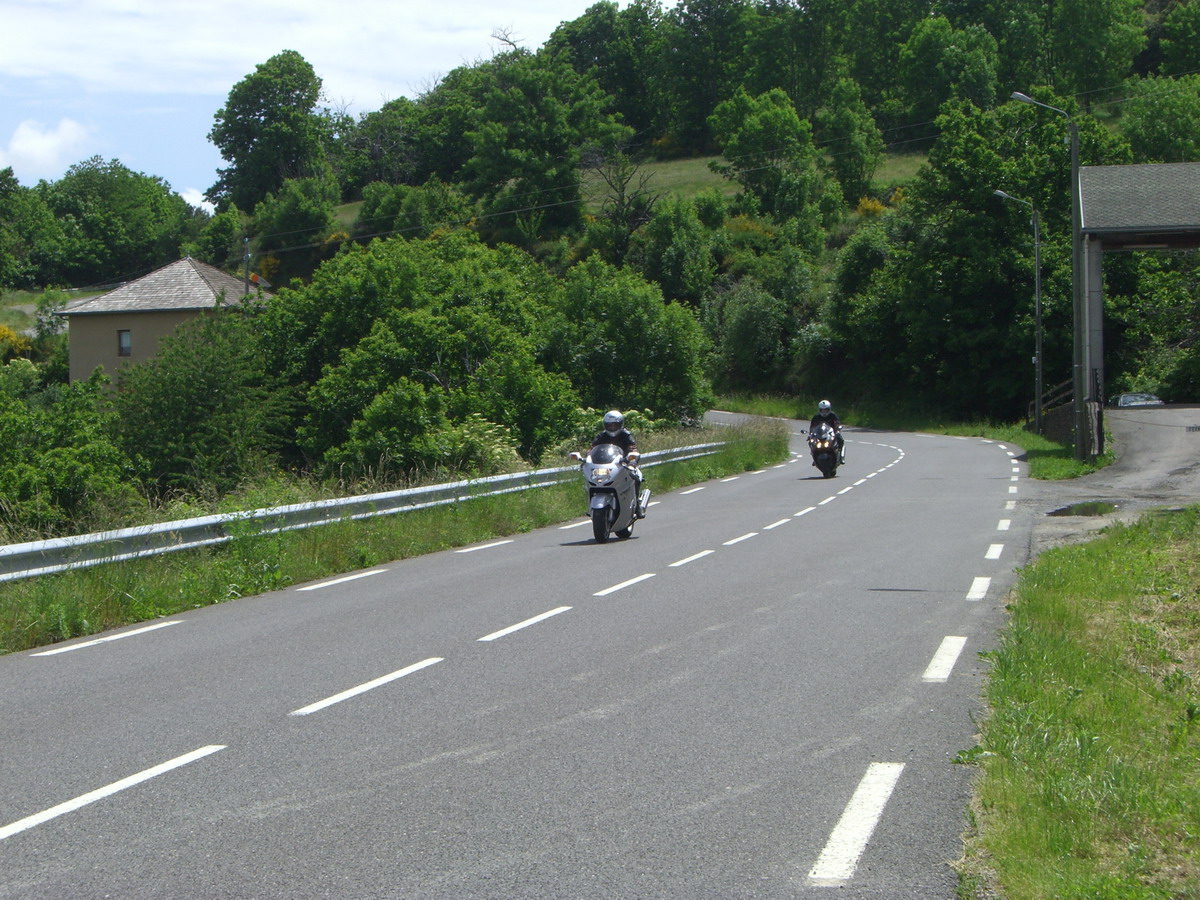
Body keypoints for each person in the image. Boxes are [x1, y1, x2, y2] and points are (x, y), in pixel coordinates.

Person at [591, 410, 645, 517]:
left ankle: (637, 504)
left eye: (615, 425)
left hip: (624, 463)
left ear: (621, 424)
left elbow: (632, 448)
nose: (612, 427)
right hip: (606, 464)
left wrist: (632, 460)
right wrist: (588, 459)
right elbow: (592, 449)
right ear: (605, 425)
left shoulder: (626, 435)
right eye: (609, 425)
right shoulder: (601, 436)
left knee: (636, 477)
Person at [809, 399, 845, 464]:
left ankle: (840, 455)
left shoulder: (833, 415)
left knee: (840, 439)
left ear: (829, 409)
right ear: (820, 410)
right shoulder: (816, 417)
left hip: (831, 434)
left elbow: (837, 423)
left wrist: (837, 431)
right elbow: (812, 426)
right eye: (822, 410)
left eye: (826, 410)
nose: (824, 412)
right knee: (811, 442)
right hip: (820, 434)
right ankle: (814, 456)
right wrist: (810, 434)